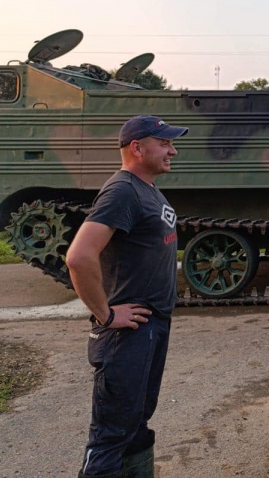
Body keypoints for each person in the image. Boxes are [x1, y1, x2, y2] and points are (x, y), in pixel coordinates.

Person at [65, 115, 188, 478]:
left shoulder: (145, 188)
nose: (173, 150)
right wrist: (105, 315)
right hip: (125, 337)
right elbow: (79, 256)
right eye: (164, 143)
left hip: (150, 328)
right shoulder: (122, 190)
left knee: (136, 428)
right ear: (137, 148)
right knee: (111, 436)